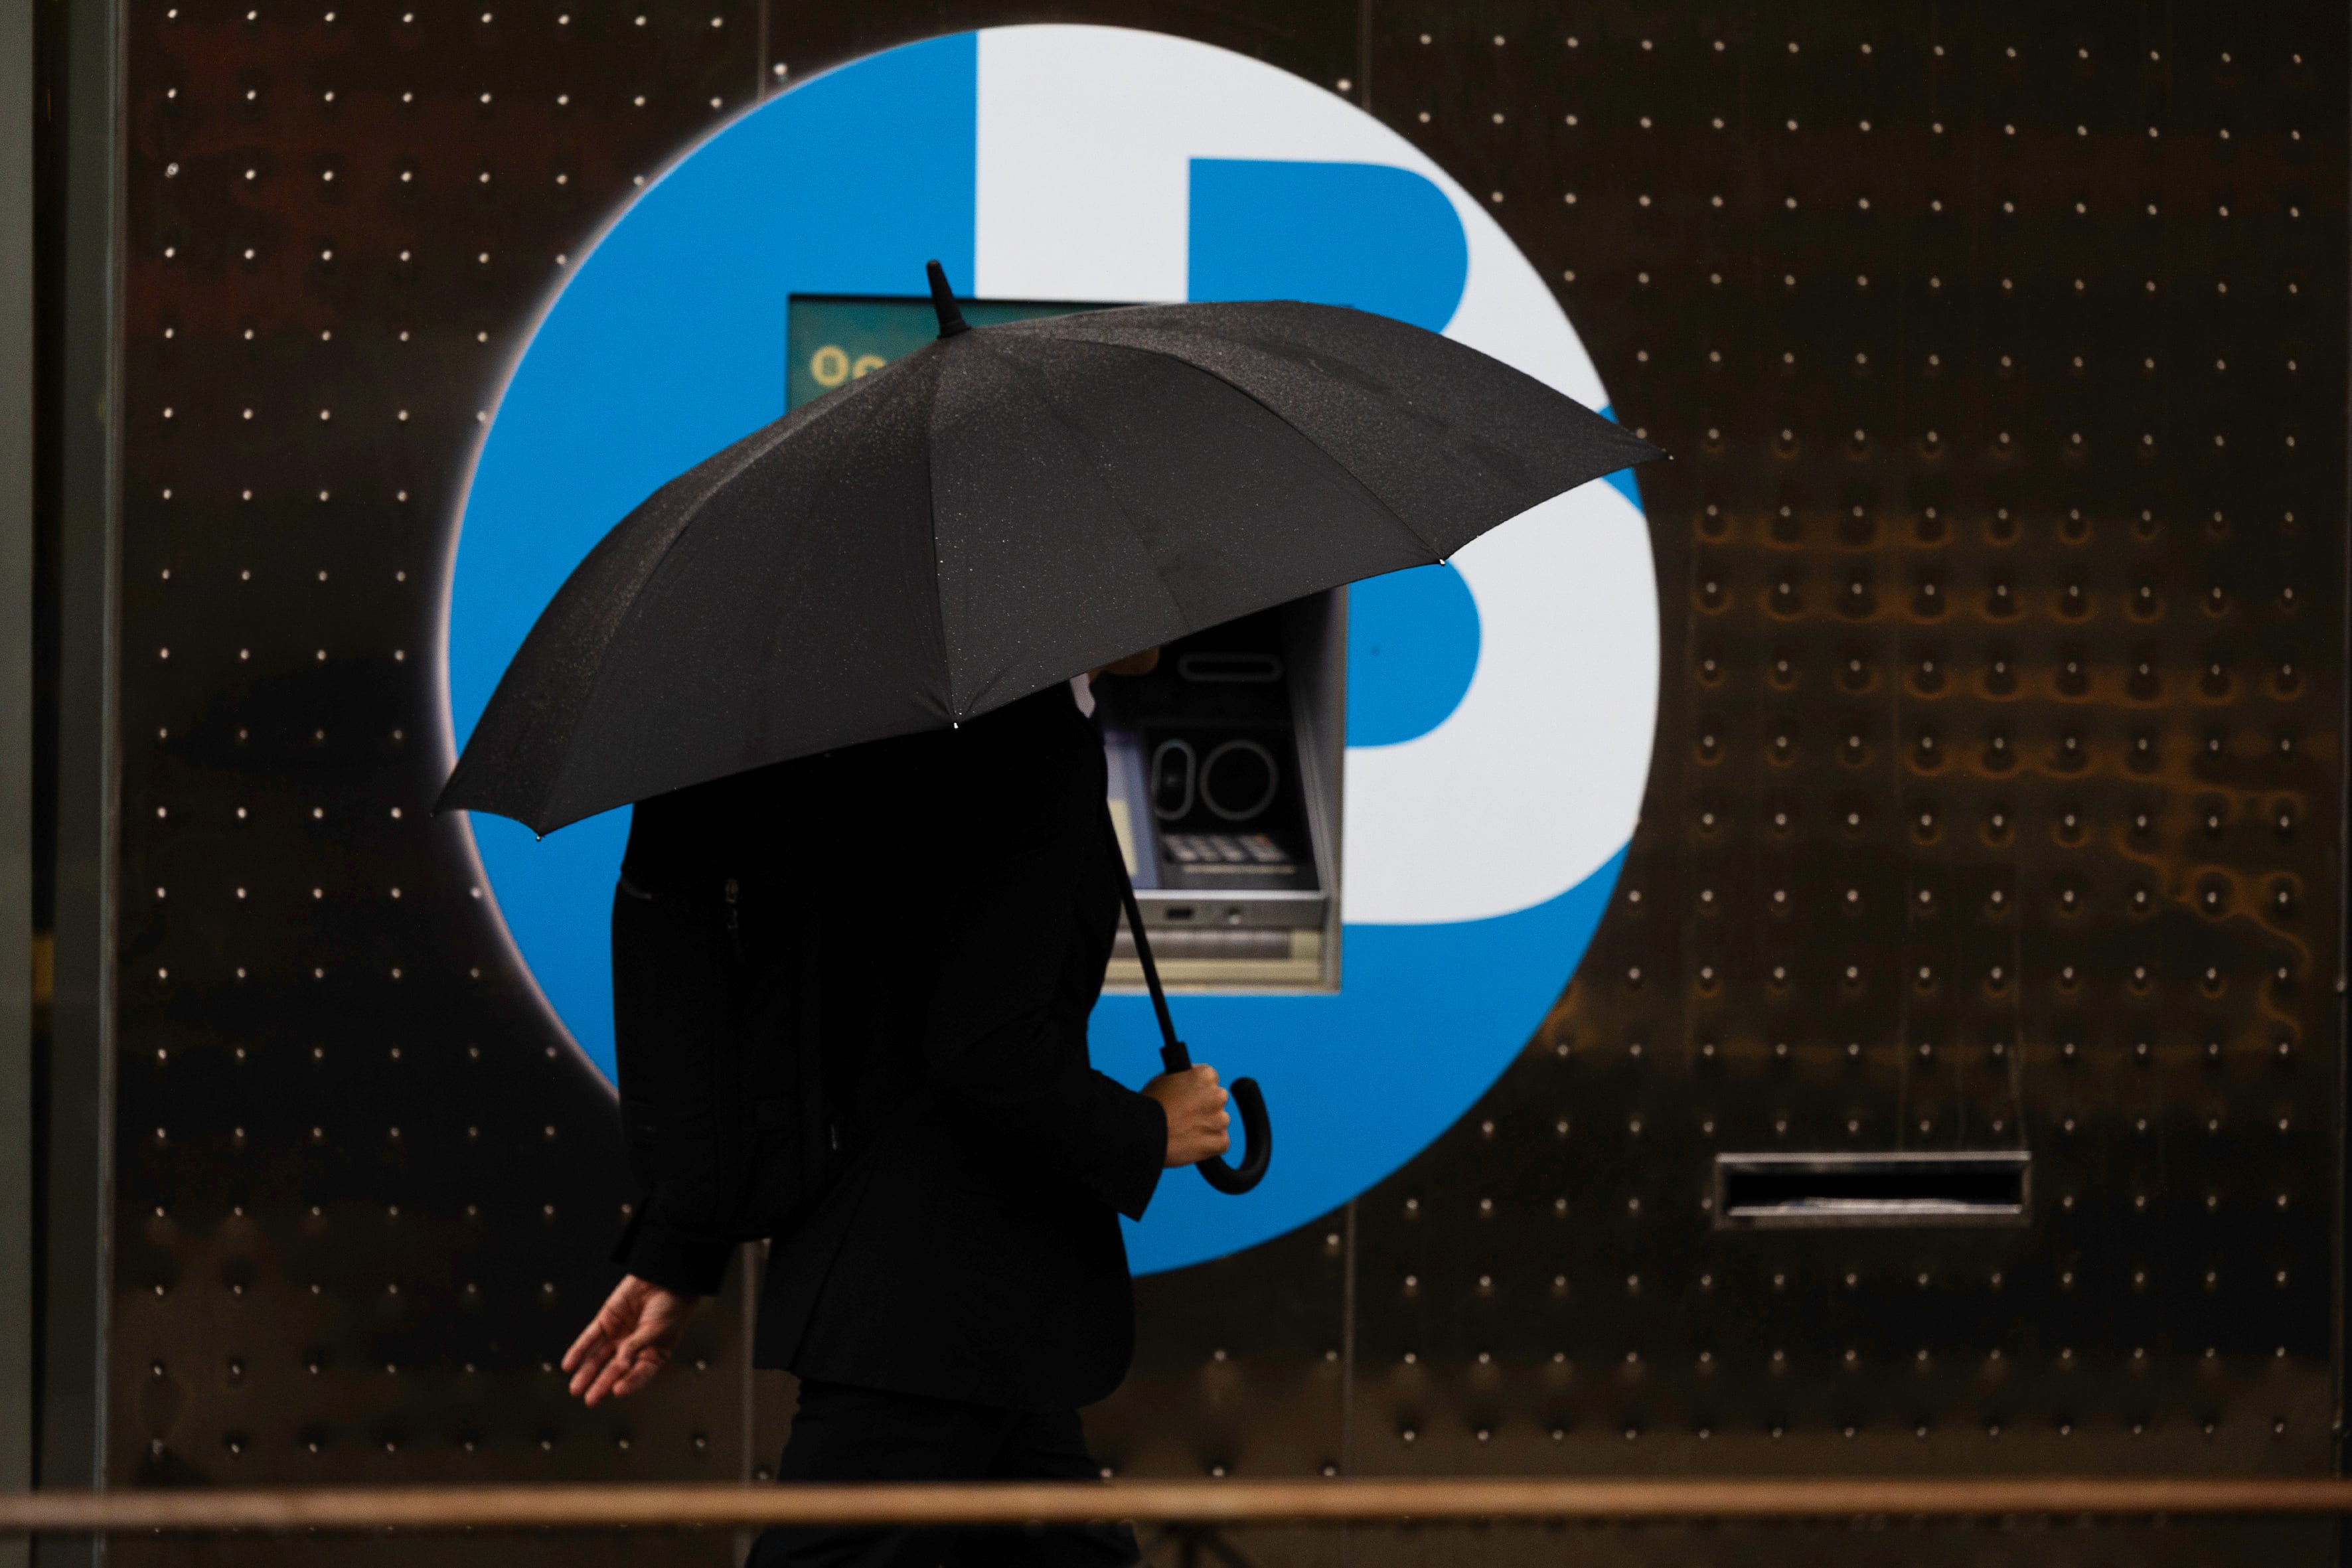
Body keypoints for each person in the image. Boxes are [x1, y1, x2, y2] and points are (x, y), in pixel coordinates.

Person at [559, 649, 1231, 1566]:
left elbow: (811, 1016)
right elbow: (980, 1043)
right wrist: (1150, 1128)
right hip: (932, 1307)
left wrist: (684, 1246)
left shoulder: (896, 731)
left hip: (959, 1304)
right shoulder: (1030, 741)